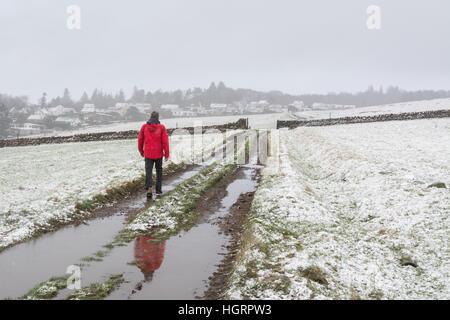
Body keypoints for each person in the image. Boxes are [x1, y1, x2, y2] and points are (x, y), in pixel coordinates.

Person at [138, 111, 169, 198]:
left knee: (148, 171)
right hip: (158, 153)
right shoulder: (161, 127)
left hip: (148, 153)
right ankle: (158, 190)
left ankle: (149, 189)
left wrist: (141, 151)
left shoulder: (144, 127)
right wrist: (166, 154)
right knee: (159, 171)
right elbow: (165, 141)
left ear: (150, 117)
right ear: (158, 118)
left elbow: (140, 140)